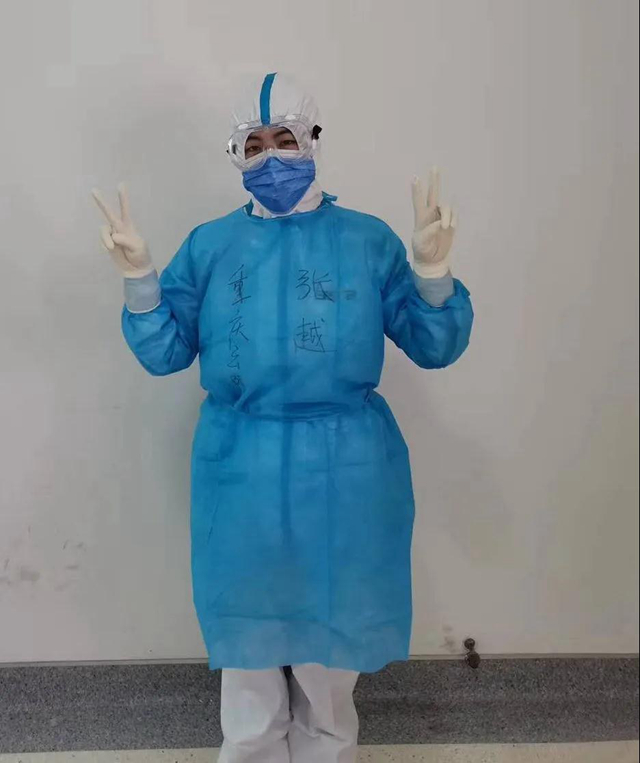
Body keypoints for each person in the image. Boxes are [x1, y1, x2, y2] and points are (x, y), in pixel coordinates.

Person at [92, 72, 474, 763]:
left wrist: (432, 273)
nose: (270, 157)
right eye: (254, 144)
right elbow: (165, 351)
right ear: (235, 153)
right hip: (242, 471)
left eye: (285, 139)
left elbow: (434, 344)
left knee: (329, 668)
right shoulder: (211, 246)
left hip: (347, 472)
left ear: (314, 138)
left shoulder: (367, 241)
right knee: (249, 663)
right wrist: (141, 282)